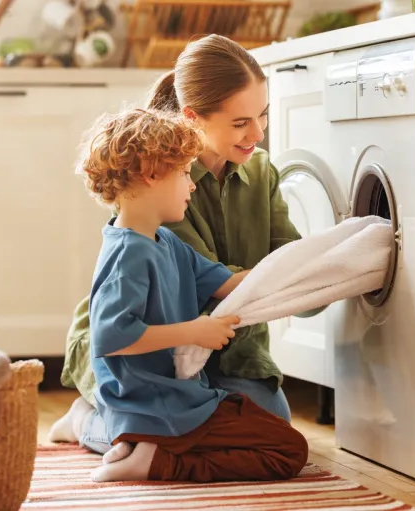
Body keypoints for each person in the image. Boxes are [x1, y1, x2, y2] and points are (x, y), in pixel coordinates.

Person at [50, 34, 303, 456]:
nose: (258, 133)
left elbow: (268, 270)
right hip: (143, 350)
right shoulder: (157, 185)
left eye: (263, 115)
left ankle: (168, 421)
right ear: (193, 117)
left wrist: (327, 270)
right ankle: (85, 420)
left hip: (222, 346)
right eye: (240, 123)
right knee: (159, 432)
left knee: (267, 423)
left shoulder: (261, 173)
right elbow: (134, 321)